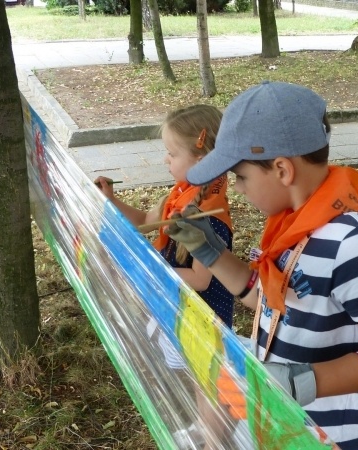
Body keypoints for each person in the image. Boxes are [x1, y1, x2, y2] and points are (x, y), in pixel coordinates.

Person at [165, 81, 358, 450]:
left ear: (282, 169)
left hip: (328, 436)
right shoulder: (291, 227)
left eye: (242, 176)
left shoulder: (354, 247)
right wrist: (211, 253)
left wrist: (299, 382)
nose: (238, 188)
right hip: (280, 421)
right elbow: (271, 303)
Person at [95, 104, 234, 449]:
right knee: (195, 374)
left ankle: (214, 437)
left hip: (204, 313)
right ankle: (206, 426)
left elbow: (202, 280)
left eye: (172, 153)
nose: (165, 160)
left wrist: (147, 267)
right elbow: (144, 220)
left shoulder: (211, 216)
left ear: (201, 159)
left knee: (208, 378)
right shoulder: (177, 196)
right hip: (179, 306)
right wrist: (110, 201)